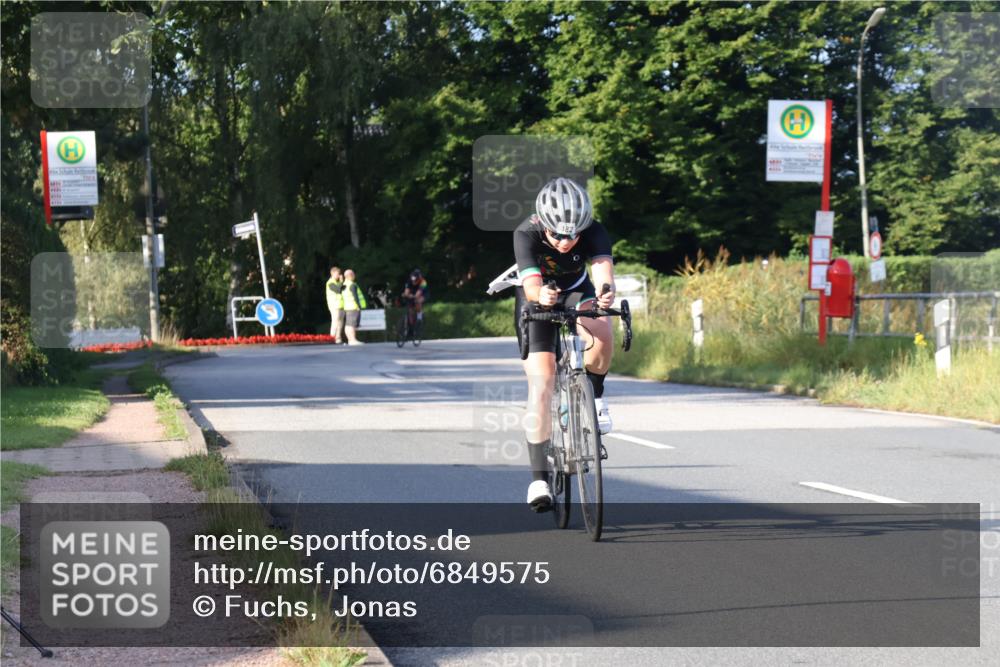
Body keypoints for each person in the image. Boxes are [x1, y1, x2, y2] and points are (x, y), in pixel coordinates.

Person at [513, 177, 616, 512]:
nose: (565, 241)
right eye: (557, 234)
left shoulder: (594, 231)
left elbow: (602, 273)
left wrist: (605, 293)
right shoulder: (525, 233)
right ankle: (539, 479)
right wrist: (539, 294)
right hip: (538, 294)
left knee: (602, 332)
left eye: (572, 234)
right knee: (542, 381)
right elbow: (530, 285)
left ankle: (595, 399)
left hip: (577, 288)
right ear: (543, 223)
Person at [342, 269, 367, 345]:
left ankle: (350, 340)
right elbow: (355, 296)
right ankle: (353, 340)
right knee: (352, 325)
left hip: (347, 307)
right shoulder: (352, 285)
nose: (354, 276)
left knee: (348, 325)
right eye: (353, 274)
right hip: (353, 307)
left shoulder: (343, 285)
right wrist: (358, 306)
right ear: (351, 275)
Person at [325, 266, 345, 343]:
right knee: (335, 322)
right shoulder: (330, 282)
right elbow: (337, 290)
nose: (339, 275)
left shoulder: (337, 282)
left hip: (341, 305)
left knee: (340, 323)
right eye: (337, 273)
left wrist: (340, 282)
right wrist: (341, 281)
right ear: (332, 273)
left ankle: (338, 339)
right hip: (334, 306)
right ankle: (332, 338)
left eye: (339, 273)